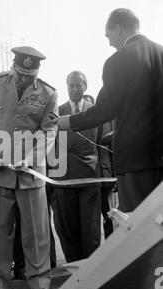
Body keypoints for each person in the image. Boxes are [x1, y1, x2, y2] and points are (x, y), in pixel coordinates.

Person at [53, 8, 163, 213]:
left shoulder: (118, 61)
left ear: (118, 29)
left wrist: (69, 121)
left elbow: (105, 110)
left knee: (136, 225)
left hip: (135, 160)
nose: (110, 43)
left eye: (109, 36)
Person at [0, 46, 58, 289]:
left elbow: (49, 130)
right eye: (21, 74)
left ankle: (40, 282)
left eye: (30, 77)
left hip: (30, 174)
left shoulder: (48, 92)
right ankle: (0, 286)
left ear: (36, 73)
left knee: (36, 232)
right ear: (13, 67)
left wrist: (31, 159)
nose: (25, 81)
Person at [52, 71, 101, 263]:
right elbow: (50, 147)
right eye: (71, 85)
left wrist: (106, 177)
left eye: (78, 85)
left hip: (90, 177)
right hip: (63, 178)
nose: (74, 89)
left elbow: (103, 145)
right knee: (68, 227)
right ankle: (74, 266)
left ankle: (93, 268)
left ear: (85, 86)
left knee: (91, 228)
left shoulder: (96, 111)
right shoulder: (57, 112)